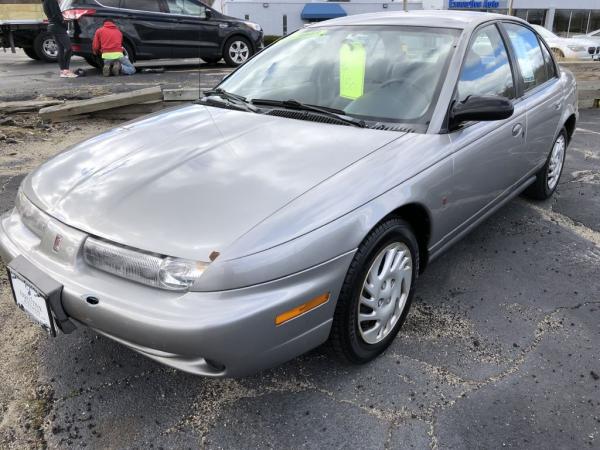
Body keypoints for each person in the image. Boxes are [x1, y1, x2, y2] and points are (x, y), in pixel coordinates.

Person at [42, 0, 77, 78]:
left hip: (52, 26)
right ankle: (66, 71)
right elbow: (56, 14)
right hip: (58, 27)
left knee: (61, 48)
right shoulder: (52, 1)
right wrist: (63, 23)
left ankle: (63, 71)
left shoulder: (45, 2)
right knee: (69, 48)